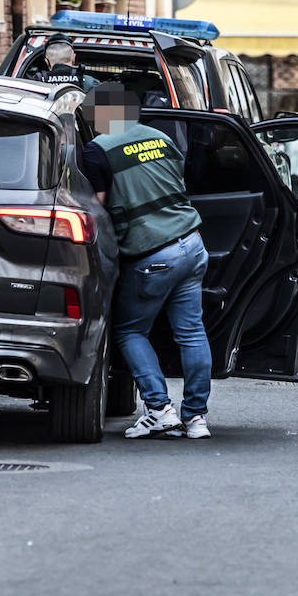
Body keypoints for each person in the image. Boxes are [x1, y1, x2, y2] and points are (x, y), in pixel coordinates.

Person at [80, 83, 211, 439]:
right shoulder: (159, 137)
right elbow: (179, 181)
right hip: (192, 244)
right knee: (192, 332)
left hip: (152, 254)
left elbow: (97, 207)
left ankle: (159, 409)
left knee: (130, 330)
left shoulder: (98, 150)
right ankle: (196, 419)